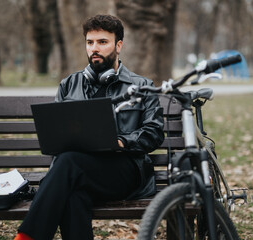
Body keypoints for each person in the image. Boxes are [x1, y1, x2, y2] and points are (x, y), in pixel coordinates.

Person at [14, 14, 164, 240]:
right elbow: (56, 139)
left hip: (124, 171)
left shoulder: (142, 86)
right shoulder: (69, 85)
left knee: (69, 163)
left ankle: (27, 237)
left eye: (102, 42)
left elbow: (154, 132)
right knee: (73, 195)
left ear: (118, 45)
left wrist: (122, 141)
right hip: (77, 171)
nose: (95, 48)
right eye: (90, 42)